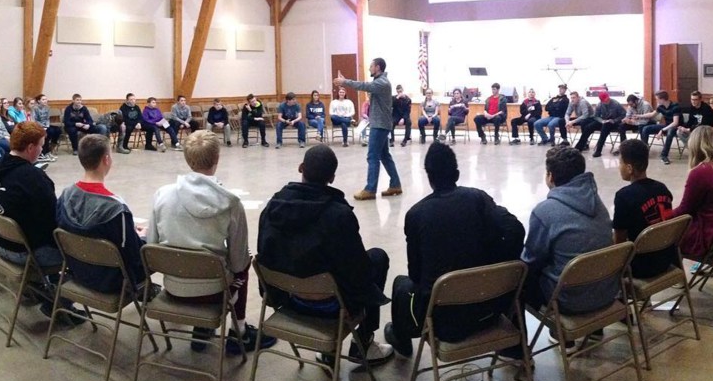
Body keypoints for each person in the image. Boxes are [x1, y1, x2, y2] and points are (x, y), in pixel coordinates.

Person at [383, 143, 525, 357]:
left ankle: (402, 340)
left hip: (445, 323)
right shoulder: (479, 199)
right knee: (520, 268)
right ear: (457, 174)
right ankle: (515, 350)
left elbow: (416, 275)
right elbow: (516, 230)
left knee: (402, 284)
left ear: (429, 177)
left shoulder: (416, 214)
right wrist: (496, 265)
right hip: (491, 310)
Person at [258, 145, 393, 365]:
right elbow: (359, 273)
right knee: (377, 257)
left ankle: (330, 353)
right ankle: (364, 342)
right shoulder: (338, 215)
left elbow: (265, 256)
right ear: (331, 177)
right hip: (332, 307)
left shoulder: (273, 207)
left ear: (301, 168)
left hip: (288, 300)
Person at [148, 131, 275, 354]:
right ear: (217, 159)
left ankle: (202, 329)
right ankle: (240, 333)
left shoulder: (162, 194)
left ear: (188, 159)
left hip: (173, 285)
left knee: (193, 256)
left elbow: (152, 245)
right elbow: (238, 262)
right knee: (243, 264)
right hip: (212, 290)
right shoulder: (231, 203)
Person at [0, 122, 85, 323]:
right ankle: (58, 304)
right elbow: (53, 225)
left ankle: (41, 287)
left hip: (1, 243)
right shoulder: (34, 178)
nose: (42, 149)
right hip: (25, 252)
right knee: (84, 255)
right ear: (30, 148)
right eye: (41, 145)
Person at [521, 146, 615, 348]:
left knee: (518, 279)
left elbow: (531, 261)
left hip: (569, 302)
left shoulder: (545, 211)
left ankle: (562, 338)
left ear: (550, 176)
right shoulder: (597, 202)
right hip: (607, 292)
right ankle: (595, 328)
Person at [56, 135, 147, 295]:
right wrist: (137, 236)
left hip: (78, 270)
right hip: (112, 280)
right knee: (148, 243)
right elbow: (132, 256)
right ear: (106, 159)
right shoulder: (116, 207)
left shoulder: (65, 195)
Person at [334, 58, 403, 200]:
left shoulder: (382, 83)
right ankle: (395, 184)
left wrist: (345, 82)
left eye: (371, 66)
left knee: (372, 156)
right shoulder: (382, 82)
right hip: (381, 123)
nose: (369, 69)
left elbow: (364, 86)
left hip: (380, 125)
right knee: (384, 155)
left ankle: (370, 189)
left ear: (378, 67)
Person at [612, 139, 674, 278]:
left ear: (629, 168)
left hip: (641, 266)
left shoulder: (624, 196)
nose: (618, 167)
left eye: (620, 163)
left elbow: (619, 242)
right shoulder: (662, 188)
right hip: (667, 257)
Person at [673, 126, 713, 260]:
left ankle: (670, 276)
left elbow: (685, 210)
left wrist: (662, 217)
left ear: (694, 145)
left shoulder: (701, 172)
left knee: (667, 234)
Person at [574, 91, 626, 157]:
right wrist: (601, 121)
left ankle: (598, 150)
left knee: (605, 127)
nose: (607, 101)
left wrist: (614, 120)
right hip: (603, 121)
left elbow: (623, 114)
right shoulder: (599, 105)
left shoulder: (615, 104)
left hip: (614, 122)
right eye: (605, 101)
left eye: (608, 99)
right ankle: (578, 148)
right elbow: (595, 116)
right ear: (602, 101)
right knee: (588, 127)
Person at [639, 91, 681, 165]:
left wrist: (662, 130)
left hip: (677, 127)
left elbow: (675, 123)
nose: (656, 101)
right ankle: (644, 152)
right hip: (667, 126)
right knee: (646, 128)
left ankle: (664, 155)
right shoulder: (660, 107)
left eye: (657, 99)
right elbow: (652, 114)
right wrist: (639, 116)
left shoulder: (675, 106)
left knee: (670, 132)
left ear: (662, 99)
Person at [32, 94, 61, 160]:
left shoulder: (47, 107)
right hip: (38, 126)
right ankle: (45, 152)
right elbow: (35, 120)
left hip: (46, 125)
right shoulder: (35, 108)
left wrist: (46, 126)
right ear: (39, 101)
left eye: (46, 99)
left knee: (58, 130)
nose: (45, 101)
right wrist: (43, 127)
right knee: (49, 132)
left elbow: (47, 119)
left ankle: (51, 147)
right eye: (43, 99)